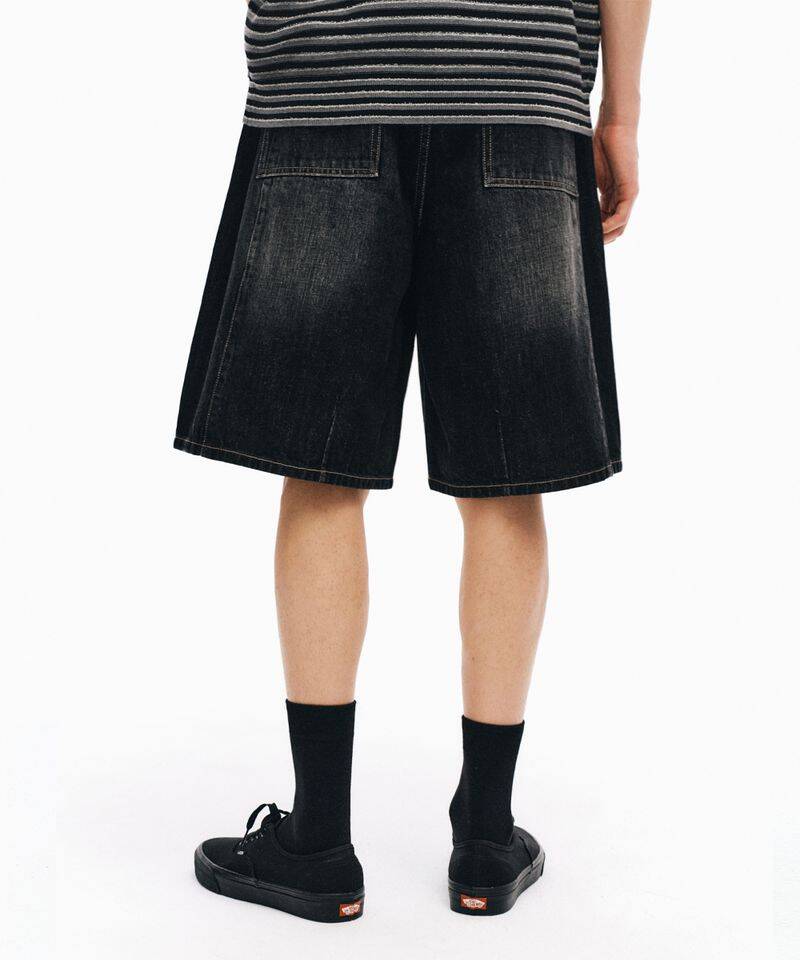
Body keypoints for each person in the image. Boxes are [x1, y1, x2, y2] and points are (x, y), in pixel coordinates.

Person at [176, 0, 650, 922]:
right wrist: (621, 116)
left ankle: (318, 839)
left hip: (329, 78)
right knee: (506, 478)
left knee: (322, 465)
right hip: (520, 81)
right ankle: (487, 838)